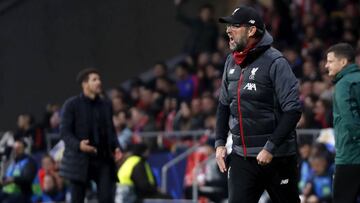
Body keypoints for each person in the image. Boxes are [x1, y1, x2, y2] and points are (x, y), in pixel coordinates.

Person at [214, 6, 302, 203]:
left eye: (235, 26)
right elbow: (223, 106)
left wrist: (270, 148)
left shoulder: (276, 62)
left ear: (251, 30)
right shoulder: (231, 62)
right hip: (241, 158)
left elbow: (293, 110)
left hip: (276, 158)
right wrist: (220, 143)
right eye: (228, 26)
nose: (228, 30)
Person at [59, 68, 121, 203]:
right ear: (84, 84)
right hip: (79, 159)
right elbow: (64, 132)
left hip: (103, 158)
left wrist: (116, 147)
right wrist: (79, 145)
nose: (99, 82)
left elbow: (110, 130)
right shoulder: (71, 105)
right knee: (77, 199)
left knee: (106, 198)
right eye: (94, 80)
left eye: (99, 79)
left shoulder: (106, 104)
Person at [324, 43, 360, 203]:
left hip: (350, 156)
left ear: (343, 62)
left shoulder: (343, 84)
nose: (326, 65)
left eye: (330, 61)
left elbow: (349, 120)